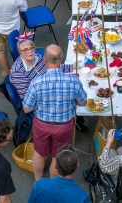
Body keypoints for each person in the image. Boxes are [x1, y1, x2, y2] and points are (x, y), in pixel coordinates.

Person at [22, 45, 86, 181]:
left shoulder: (36, 82)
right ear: (62, 59)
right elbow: (83, 102)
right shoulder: (73, 80)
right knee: (57, 156)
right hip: (64, 126)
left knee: (38, 153)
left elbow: (26, 108)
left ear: (44, 60)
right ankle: (52, 184)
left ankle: (38, 182)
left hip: (42, 125)